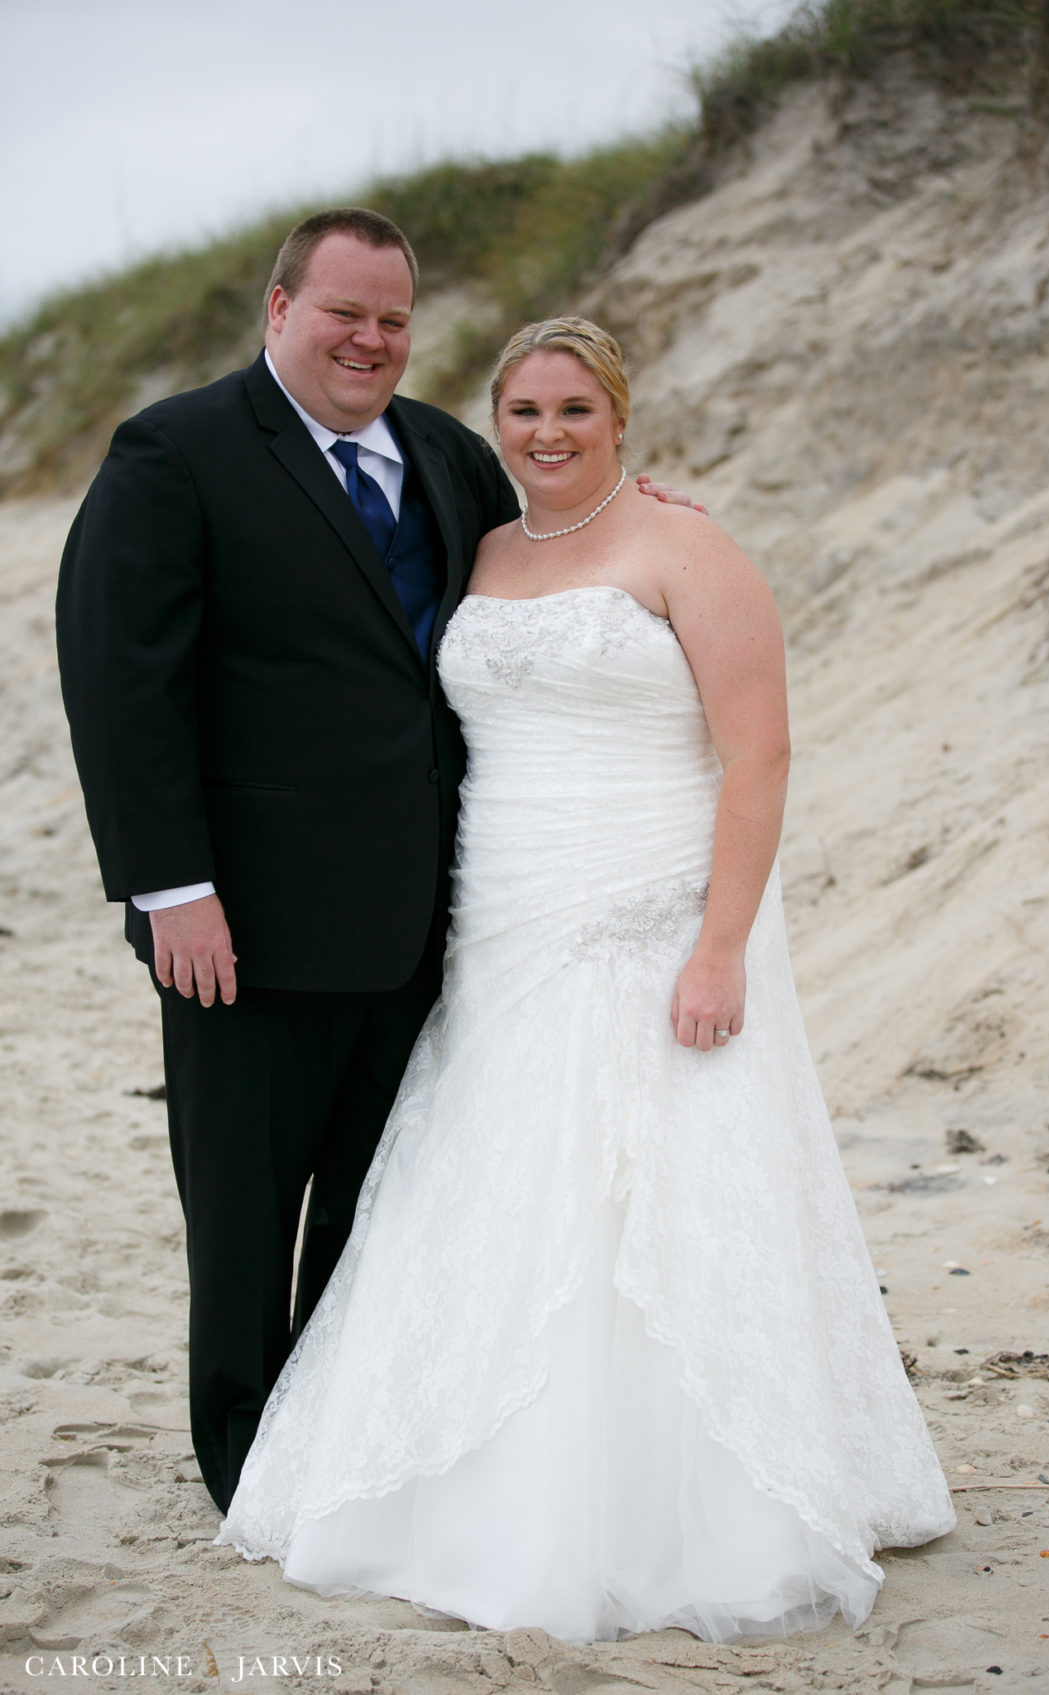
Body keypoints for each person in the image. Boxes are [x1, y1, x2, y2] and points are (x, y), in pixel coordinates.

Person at [217, 318, 955, 1641]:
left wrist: (718, 946)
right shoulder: (484, 549)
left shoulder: (689, 548)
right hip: (498, 915)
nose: (548, 434)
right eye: (524, 412)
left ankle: (677, 1505)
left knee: (649, 1186)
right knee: (497, 1178)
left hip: (649, 912)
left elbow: (760, 757)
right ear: (494, 425)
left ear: (619, 417)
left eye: (574, 410)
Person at [55, 209, 692, 1515]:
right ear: (279, 308)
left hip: (424, 922)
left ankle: (334, 1440)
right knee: (244, 1214)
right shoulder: (176, 452)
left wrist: (646, 511)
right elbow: (120, 683)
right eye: (344, 312)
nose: (370, 339)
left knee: (379, 1206)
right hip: (243, 928)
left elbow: (551, 550)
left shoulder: (447, 455)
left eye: (394, 319)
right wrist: (171, 888)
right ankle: (243, 1466)